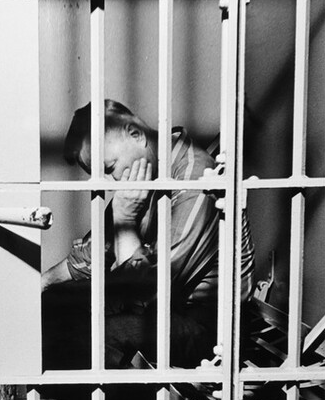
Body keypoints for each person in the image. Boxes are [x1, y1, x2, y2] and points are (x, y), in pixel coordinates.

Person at [41, 99, 256, 370]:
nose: (108, 185)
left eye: (108, 168)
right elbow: (94, 250)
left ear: (136, 134)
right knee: (52, 302)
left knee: (99, 334)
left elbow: (146, 290)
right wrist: (44, 283)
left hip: (213, 328)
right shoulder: (146, 174)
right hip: (164, 307)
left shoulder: (196, 181)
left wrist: (125, 219)